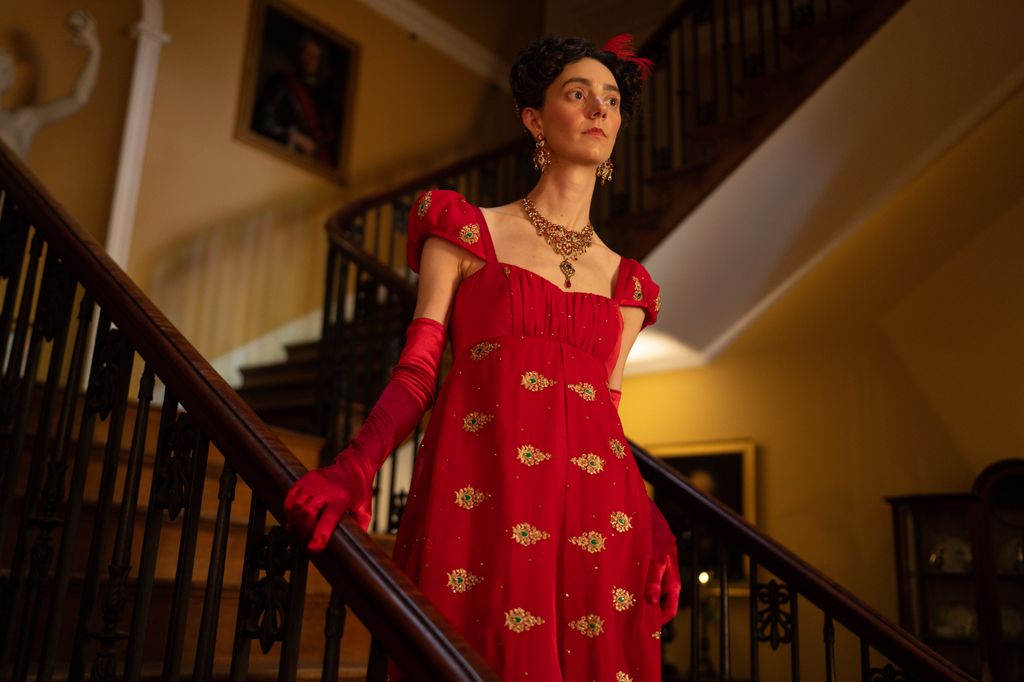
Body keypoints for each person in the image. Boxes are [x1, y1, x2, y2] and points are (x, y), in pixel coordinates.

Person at [285, 34, 681, 680]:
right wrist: (356, 465)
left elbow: (606, 418)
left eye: (611, 100)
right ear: (535, 120)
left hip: (597, 517)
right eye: (578, 94)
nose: (599, 110)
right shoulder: (467, 231)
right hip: (480, 497)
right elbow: (418, 372)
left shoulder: (627, 285)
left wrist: (655, 523)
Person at [0, 10, 100, 160]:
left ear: (8, 80)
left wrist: (94, 51)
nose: (3, 72)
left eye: (5, 70)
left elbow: (78, 99)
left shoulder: (22, 121)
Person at [253, 33, 341, 167]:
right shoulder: (281, 81)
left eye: (315, 56)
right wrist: (293, 136)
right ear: (299, 54)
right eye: (306, 53)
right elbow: (262, 121)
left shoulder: (327, 96)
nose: (310, 60)